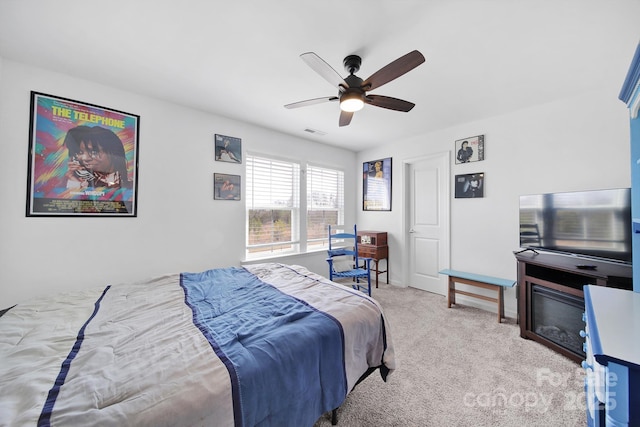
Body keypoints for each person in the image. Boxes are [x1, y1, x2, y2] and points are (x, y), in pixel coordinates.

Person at [64, 125, 131, 189]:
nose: (85, 158)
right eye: (80, 152)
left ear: (114, 153)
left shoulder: (130, 185)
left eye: (94, 152)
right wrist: (76, 184)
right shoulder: (82, 182)